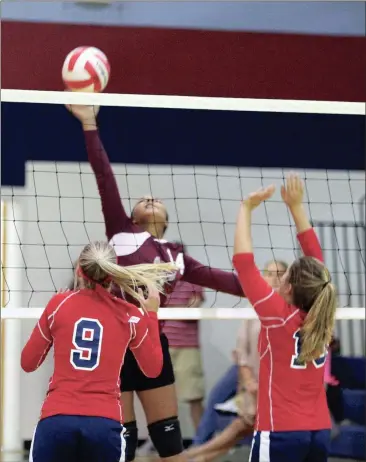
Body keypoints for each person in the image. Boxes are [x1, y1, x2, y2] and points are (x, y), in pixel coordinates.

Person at [67, 104, 244, 462]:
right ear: (131, 216)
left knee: (169, 441)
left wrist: (272, 289)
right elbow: (104, 176)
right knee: (123, 442)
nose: (150, 199)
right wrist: (89, 123)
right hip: (114, 343)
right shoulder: (121, 232)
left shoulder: (177, 255)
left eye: (157, 201)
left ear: (164, 220)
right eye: (143, 200)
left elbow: (227, 281)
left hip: (151, 343)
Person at [21, 240, 175, 462]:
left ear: (78, 270)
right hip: (104, 425)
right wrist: (151, 314)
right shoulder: (129, 314)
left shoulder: (58, 304)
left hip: (56, 421)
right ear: (112, 274)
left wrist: (53, 313)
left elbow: (28, 363)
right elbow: (153, 370)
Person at [232, 173, 336, 462]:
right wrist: (296, 207)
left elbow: (243, 263)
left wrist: (246, 208)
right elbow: (317, 266)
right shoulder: (323, 312)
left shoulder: (277, 315)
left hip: (280, 431)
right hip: (319, 431)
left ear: (288, 288)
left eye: (283, 276)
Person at [187, 261, 288, 462]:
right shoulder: (254, 304)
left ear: (287, 280)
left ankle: (190, 456)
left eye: (280, 274)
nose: (274, 278)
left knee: (241, 427)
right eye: (269, 273)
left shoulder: (289, 308)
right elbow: (242, 347)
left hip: (273, 375)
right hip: (247, 367)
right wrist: (246, 383)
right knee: (221, 400)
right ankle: (194, 452)